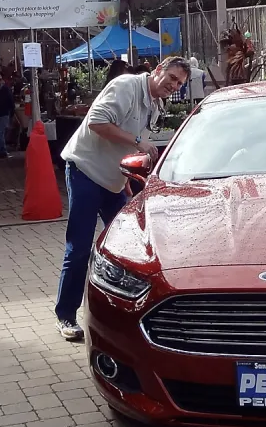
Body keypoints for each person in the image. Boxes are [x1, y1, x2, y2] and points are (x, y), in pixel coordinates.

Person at [54, 55, 191, 341]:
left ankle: (122, 315)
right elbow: (96, 121)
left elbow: (128, 150)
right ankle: (66, 316)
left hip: (114, 181)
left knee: (131, 246)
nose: (173, 85)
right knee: (79, 246)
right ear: (157, 71)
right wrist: (137, 141)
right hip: (86, 171)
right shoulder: (126, 86)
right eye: (172, 78)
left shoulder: (156, 105)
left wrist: (127, 180)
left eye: (179, 83)